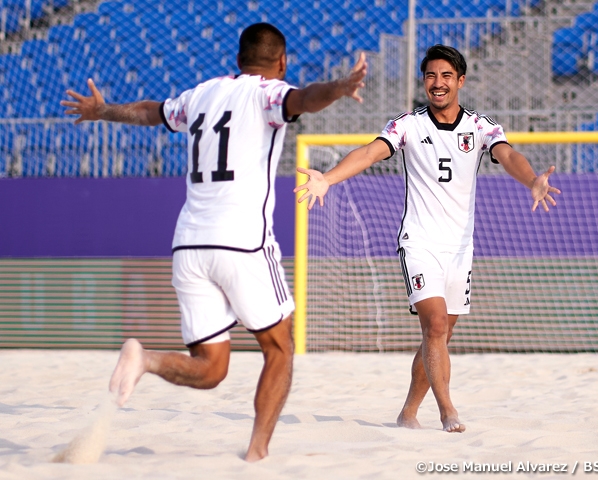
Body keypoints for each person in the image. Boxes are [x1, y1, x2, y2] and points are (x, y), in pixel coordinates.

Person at [61, 22, 367, 461]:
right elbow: (305, 99)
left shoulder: (200, 94)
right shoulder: (268, 94)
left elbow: (152, 112)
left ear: (237, 60)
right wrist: (340, 86)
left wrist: (103, 110)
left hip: (189, 245)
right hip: (241, 242)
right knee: (279, 347)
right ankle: (257, 451)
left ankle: (144, 359)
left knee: (210, 369)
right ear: (281, 64)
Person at [294, 44, 560, 433]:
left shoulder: (481, 126)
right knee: (434, 326)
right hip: (418, 242)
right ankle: (448, 410)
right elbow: (369, 154)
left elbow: (508, 155)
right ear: (424, 82)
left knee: (440, 335)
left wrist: (533, 179)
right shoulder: (407, 124)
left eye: (446, 76)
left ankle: (407, 412)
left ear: (460, 81)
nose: (438, 83)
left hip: (459, 250)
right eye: (431, 76)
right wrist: (328, 179)